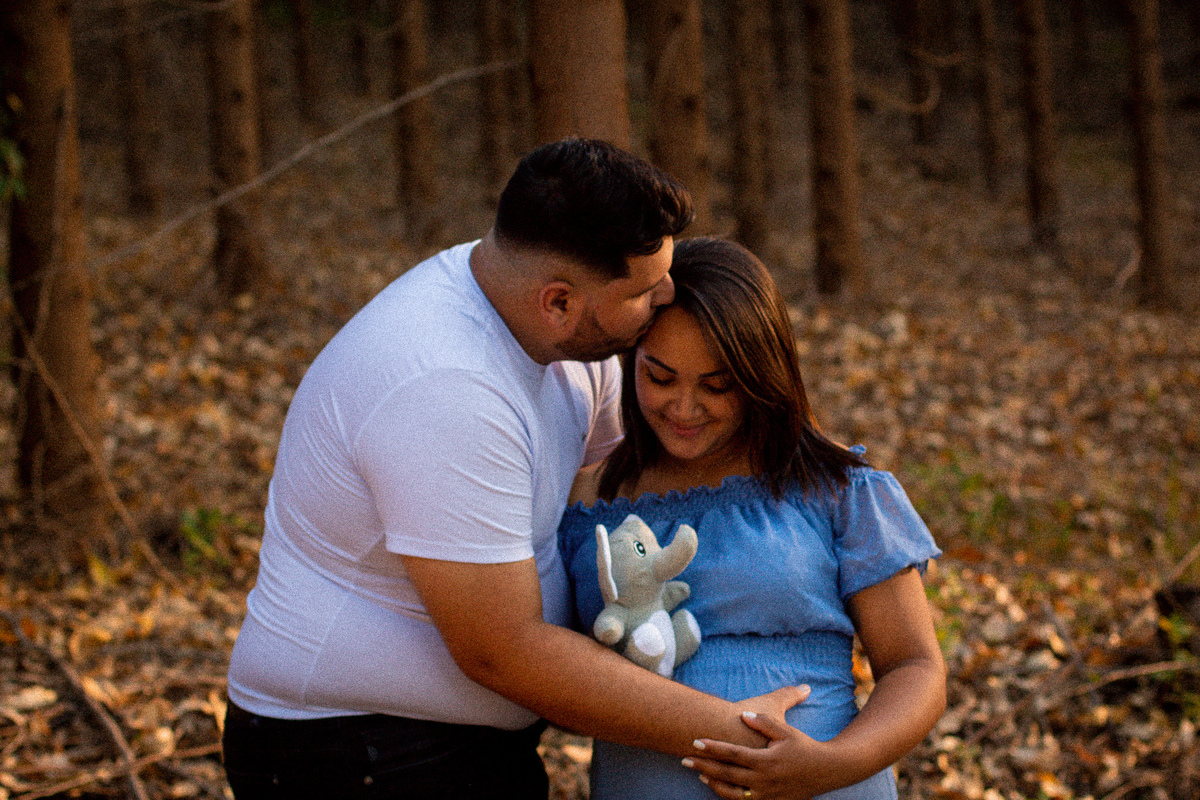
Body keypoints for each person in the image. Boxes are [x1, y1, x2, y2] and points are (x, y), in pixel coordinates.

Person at [222, 139, 807, 799]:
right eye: (645, 289)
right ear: (557, 301)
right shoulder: (446, 385)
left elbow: (626, 495)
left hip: (455, 743)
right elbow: (499, 650)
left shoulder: (561, 331)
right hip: (351, 752)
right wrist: (732, 731)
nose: (669, 293)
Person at [559, 236, 947, 800]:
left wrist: (834, 764)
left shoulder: (833, 487)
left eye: (717, 386)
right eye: (660, 377)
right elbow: (546, 672)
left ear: (761, 375)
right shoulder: (589, 501)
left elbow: (916, 667)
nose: (684, 407)